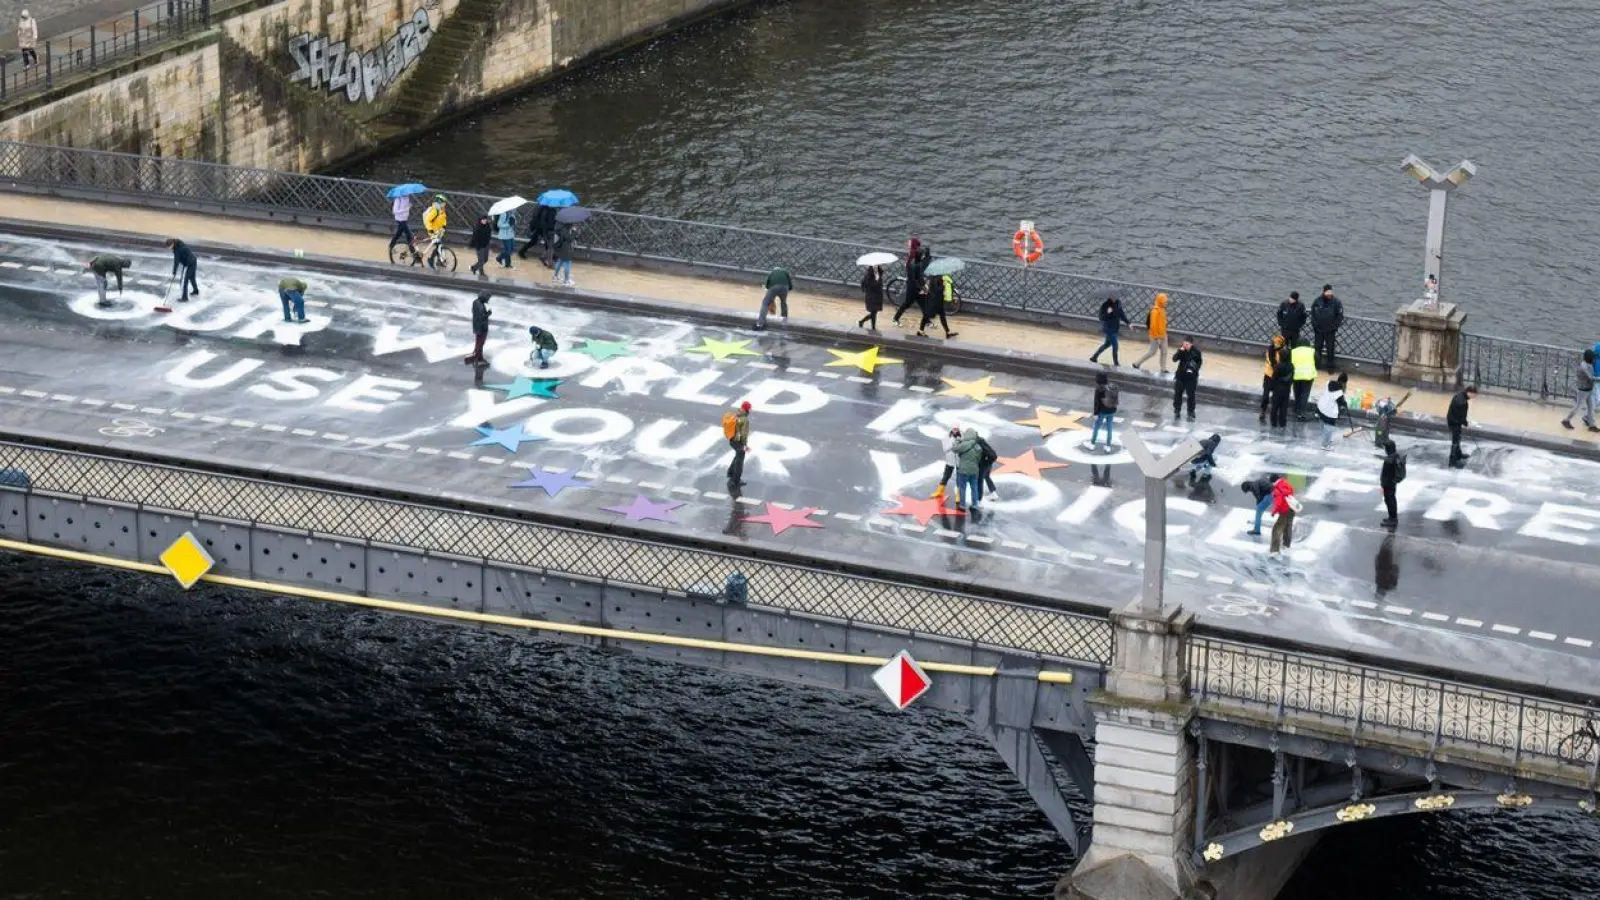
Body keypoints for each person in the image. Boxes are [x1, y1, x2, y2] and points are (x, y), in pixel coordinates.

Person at [891, 237, 926, 326]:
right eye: (922, 256)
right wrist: (923, 287)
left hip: (915, 287)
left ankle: (927, 322)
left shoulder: (916, 262)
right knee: (907, 304)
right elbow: (915, 278)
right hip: (913, 288)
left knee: (923, 305)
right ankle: (895, 319)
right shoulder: (915, 264)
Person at [1310, 284, 1344, 373]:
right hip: (1318, 330)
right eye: (1327, 292)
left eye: (1330, 292)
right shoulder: (1317, 301)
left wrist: (1333, 327)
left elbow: (1339, 317)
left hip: (1330, 331)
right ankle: (1316, 365)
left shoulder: (1337, 302)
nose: (1329, 294)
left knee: (1330, 349)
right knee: (1317, 348)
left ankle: (1330, 367)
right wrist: (1315, 325)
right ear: (1324, 292)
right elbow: (1312, 314)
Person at [1132, 292, 1169, 373]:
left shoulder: (1162, 309)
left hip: (1163, 334)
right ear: (1160, 301)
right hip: (1155, 336)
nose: (1166, 303)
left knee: (1164, 352)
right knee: (1152, 352)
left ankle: (1163, 368)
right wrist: (1157, 337)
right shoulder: (1155, 311)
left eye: (1166, 302)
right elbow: (1153, 326)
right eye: (1164, 302)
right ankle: (1137, 363)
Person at [1562, 349, 1598, 431]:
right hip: (1583, 390)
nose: (1594, 359)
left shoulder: (1588, 364)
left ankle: (1591, 425)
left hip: (1588, 389)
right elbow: (1591, 378)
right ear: (1589, 358)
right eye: (1593, 358)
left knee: (1590, 407)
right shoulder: (1584, 366)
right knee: (1577, 407)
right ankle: (1566, 420)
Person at [1089, 295, 1130, 366]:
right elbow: (1101, 318)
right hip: (1108, 328)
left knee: (1107, 344)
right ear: (1109, 297)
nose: (1115, 298)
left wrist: (1129, 323)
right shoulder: (1105, 305)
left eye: (1116, 296)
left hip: (1115, 328)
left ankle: (1094, 357)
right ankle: (1116, 363)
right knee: (1115, 345)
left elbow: (1122, 314)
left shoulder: (1118, 303)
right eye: (1113, 296)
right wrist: (1108, 312)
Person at [916, 272, 957, 339]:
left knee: (941, 316)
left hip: (937, 301)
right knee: (927, 316)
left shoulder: (935, 277)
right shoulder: (937, 278)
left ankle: (948, 332)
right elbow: (937, 289)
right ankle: (920, 331)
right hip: (934, 301)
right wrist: (943, 285)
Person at [1314, 373, 1350, 450]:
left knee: (1323, 424)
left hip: (1321, 406)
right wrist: (1345, 404)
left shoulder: (1328, 383)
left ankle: (1327, 439)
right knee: (1329, 428)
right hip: (1329, 412)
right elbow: (1341, 402)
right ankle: (1325, 445)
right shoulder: (1339, 392)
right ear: (1344, 382)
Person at [952, 427, 984, 511]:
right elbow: (979, 459)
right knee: (974, 487)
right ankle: (974, 504)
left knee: (962, 488)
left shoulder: (964, 444)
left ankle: (962, 505)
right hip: (974, 471)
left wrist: (957, 441)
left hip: (964, 470)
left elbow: (954, 449)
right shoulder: (978, 446)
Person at [1171, 336, 1202, 419]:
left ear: (1191, 344)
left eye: (1187, 344)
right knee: (1178, 394)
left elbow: (1199, 363)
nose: (1185, 346)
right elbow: (1174, 359)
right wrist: (1180, 351)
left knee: (1191, 395)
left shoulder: (1196, 352)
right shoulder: (1181, 350)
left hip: (1191, 377)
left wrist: (1193, 368)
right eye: (1184, 344)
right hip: (1181, 376)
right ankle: (1177, 410)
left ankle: (1191, 411)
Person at [1447, 385, 1477, 468]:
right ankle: (1452, 461)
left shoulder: (1459, 395)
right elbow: (1461, 416)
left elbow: (1460, 415)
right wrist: (1466, 424)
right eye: (1474, 395)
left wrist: (1464, 423)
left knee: (1457, 437)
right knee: (1455, 441)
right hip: (1455, 422)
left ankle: (1458, 454)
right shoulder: (1463, 402)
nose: (1474, 397)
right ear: (1469, 393)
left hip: (1452, 419)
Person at [930, 425, 962, 503]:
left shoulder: (962, 436)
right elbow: (945, 449)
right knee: (946, 476)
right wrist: (953, 444)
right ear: (951, 429)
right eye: (954, 429)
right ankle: (939, 491)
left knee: (960, 478)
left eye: (957, 429)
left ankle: (958, 495)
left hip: (959, 460)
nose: (955, 431)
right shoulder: (946, 437)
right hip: (950, 460)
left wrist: (960, 443)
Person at [1259, 335, 1286, 424]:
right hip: (1269, 375)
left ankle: (1274, 411)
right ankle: (1263, 410)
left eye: (1278, 343)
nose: (1276, 345)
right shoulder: (1271, 351)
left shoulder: (1283, 352)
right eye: (1275, 343)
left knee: (1276, 396)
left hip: (1276, 377)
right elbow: (1273, 363)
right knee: (1265, 395)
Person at [755, 265, 792, 330]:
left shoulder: (772, 273)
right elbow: (790, 285)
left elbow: (767, 286)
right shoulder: (785, 272)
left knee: (765, 303)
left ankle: (760, 324)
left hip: (774, 287)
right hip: (785, 287)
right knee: (783, 303)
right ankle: (784, 321)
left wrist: (771, 295)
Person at [1089, 371, 1118, 447]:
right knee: (1109, 427)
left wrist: (1095, 413)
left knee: (1097, 426)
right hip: (1111, 410)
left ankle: (1092, 443)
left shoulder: (1099, 389)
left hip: (1102, 412)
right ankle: (1108, 445)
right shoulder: (1111, 387)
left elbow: (1096, 402)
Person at [726, 401, 751, 487]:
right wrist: (745, 445)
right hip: (738, 441)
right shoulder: (744, 419)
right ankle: (736, 480)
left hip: (732, 439)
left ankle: (730, 472)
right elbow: (744, 434)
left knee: (737, 456)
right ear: (748, 410)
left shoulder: (737, 414)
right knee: (740, 461)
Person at [1269, 475, 1297, 555]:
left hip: (1284, 510)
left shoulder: (1277, 489)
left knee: (1276, 529)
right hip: (1292, 508)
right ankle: (1286, 545)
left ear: (1273, 482)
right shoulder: (1285, 483)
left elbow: (1279, 503)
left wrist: (1274, 512)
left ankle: (1274, 550)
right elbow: (1291, 491)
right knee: (1288, 527)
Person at [1379, 440, 1404, 528]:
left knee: (1389, 501)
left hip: (1388, 484)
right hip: (1392, 483)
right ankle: (1392, 517)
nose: (1385, 450)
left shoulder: (1389, 460)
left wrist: (1382, 484)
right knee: (1391, 499)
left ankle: (1393, 519)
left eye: (1386, 448)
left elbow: (1385, 474)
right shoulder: (1395, 457)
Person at [1290, 339, 1316, 419]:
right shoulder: (1312, 351)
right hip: (1308, 376)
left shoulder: (1293, 351)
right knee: (1305, 394)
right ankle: (1302, 412)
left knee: (1297, 393)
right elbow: (1318, 362)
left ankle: (1296, 408)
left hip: (1296, 375)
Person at [1269, 344, 1293, 428]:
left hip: (1277, 389)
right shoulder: (1291, 366)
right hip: (1286, 390)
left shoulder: (1277, 366)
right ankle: (1282, 422)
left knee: (1275, 407)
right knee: (1284, 407)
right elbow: (1291, 378)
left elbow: (1273, 378)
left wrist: (1271, 388)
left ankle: (1273, 422)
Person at [463, 291, 491, 365]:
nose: (488, 300)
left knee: (479, 343)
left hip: (478, 326)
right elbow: (481, 316)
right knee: (480, 343)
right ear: (484, 297)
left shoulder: (477, 302)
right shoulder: (479, 304)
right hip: (481, 327)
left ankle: (479, 357)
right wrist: (488, 314)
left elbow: (476, 313)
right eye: (487, 298)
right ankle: (477, 358)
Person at [422, 195, 447, 268]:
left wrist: (444, 225)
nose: (445, 204)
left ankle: (436, 260)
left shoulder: (442, 210)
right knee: (438, 244)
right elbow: (427, 221)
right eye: (444, 202)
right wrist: (430, 229)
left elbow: (444, 218)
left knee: (439, 245)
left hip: (439, 230)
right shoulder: (434, 210)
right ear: (440, 202)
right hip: (433, 230)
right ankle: (432, 260)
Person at [858, 265, 885, 331]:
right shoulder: (868, 276)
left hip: (878, 296)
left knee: (874, 313)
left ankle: (862, 321)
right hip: (871, 296)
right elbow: (865, 285)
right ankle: (873, 327)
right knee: (873, 312)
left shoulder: (879, 274)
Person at [976, 432, 999, 499]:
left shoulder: (978, 444)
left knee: (980, 481)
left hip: (984, 465)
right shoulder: (982, 441)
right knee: (987, 477)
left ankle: (979, 498)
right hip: (988, 463)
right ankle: (993, 493)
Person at [551, 221, 574, 286]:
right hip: (565, 249)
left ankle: (555, 276)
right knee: (567, 263)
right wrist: (574, 232)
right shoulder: (565, 230)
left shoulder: (560, 227)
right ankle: (566, 280)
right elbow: (569, 239)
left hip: (561, 248)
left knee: (560, 261)